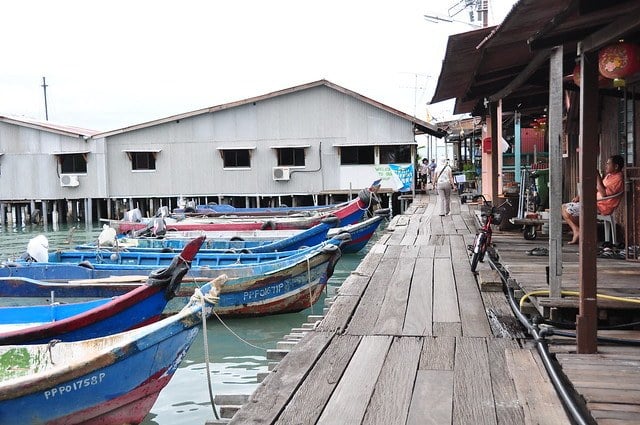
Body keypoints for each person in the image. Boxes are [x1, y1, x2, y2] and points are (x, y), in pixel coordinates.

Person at [561, 154, 624, 244]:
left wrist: (597, 176)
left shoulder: (618, 178)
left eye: (608, 164)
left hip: (602, 207)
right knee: (563, 207)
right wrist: (580, 197)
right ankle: (577, 230)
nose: (606, 166)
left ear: (616, 166)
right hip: (595, 203)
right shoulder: (609, 176)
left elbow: (604, 194)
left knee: (568, 210)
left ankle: (584, 233)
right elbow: (597, 188)